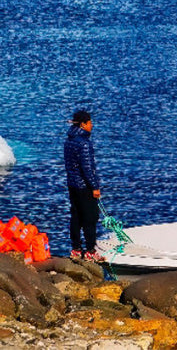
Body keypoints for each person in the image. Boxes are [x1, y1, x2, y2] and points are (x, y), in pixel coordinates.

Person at [64, 109, 104, 262]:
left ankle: (75, 248)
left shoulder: (69, 141)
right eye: (90, 122)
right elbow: (87, 168)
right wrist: (94, 187)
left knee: (76, 216)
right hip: (84, 187)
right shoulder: (84, 144)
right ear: (83, 124)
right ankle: (90, 250)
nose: (92, 125)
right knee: (90, 218)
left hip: (72, 185)